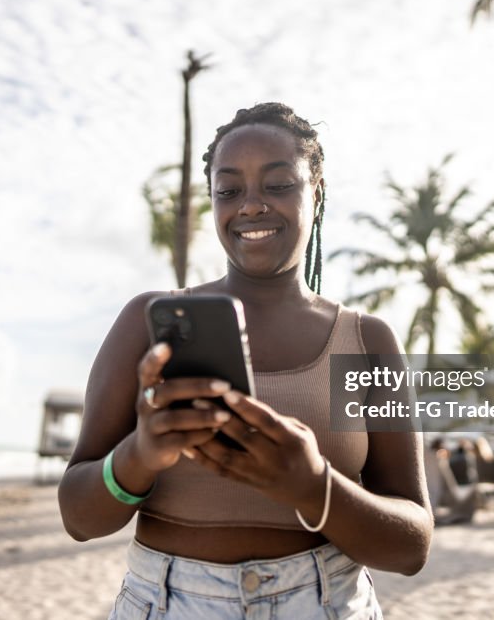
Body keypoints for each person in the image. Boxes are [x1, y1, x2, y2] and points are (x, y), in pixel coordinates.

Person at [58, 102, 433, 619]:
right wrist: (140, 455)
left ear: (316, 193)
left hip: (325, 604)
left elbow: (412, 545)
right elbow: (78, 518)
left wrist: (312, 485)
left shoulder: (366, 341)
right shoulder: (145, 322)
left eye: (278, 184)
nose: (251, 205)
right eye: (229, 190)